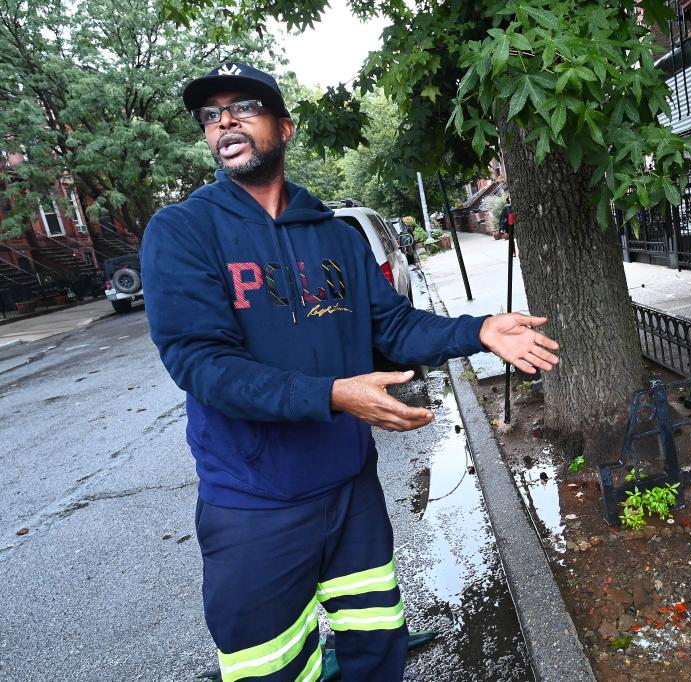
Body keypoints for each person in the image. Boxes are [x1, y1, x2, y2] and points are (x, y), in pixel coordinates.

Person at [141, 63, 559, 682]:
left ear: (283, 126)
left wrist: (477, 330)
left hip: (350, 491)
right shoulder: (182, 232)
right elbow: (203, 366)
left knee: (375, 649)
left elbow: (391, 328)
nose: (224, 120)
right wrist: (336, 395)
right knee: (272, 670)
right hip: (255, 504)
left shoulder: (335, 236)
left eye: (243, 106)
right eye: (211, 113)